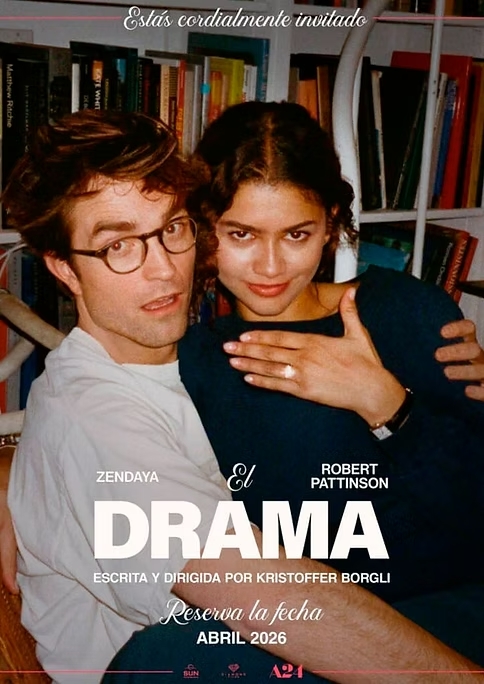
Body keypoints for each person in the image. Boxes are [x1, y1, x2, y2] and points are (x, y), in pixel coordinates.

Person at [3, 109, 478, 684]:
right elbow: (266, 593)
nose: (162, 271)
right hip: (218, 657)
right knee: (170, 653)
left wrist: (391, 406)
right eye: (118, 246)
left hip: (407, 608)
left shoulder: (192, 357)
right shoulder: (99, 411)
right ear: (63, 268)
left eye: (171, 229)